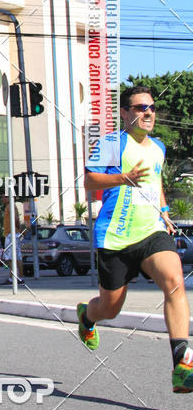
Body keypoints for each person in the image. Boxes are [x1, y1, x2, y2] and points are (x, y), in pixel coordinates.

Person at [77, 87, 193, 393]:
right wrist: (123, 178)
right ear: (125, 113)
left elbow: (155, 182)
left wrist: (165, 211)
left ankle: (182, 364)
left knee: (175, 281)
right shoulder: (111, 144)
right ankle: (88, 317)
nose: (149, 113)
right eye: (141, 108)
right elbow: (89, 181)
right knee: (110, 308)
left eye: (152, 107)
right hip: (115, 238)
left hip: (151, 231)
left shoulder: (158, 148)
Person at [2, 193, 24, 285]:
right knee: (12, 257)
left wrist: (18, 229)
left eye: (5, 197)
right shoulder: (10, 206)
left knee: (14, 257)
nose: (3, 199)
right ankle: (13, 277)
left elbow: (16, 219)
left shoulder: (11, 206)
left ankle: (19, 277)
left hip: (12, 234)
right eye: (2, 197)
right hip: (11, 233)